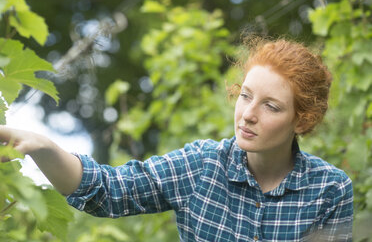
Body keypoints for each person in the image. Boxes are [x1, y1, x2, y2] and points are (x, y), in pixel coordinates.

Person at [0, 38, 353, 241]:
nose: (248, 114)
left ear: (301, 119)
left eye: (271, 106)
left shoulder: (330, 190)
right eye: (245, 96)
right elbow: (107, 190)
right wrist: (43, 147)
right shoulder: (201, 166)